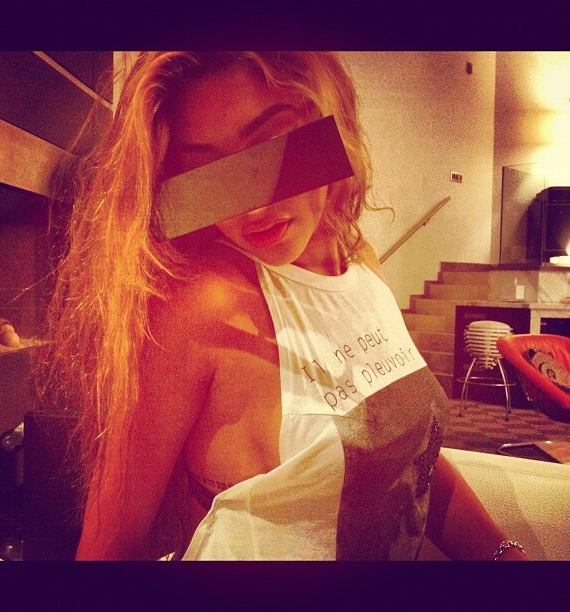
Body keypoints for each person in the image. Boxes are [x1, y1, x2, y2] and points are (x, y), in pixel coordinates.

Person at [41, 51, 528, 561]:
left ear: (331, 124)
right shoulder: (206, 305)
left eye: (270, 146)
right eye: (207, 170)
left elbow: (407, 458)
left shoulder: (361, 266)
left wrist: (507, 557)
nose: (251, 205)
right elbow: (108, 547)